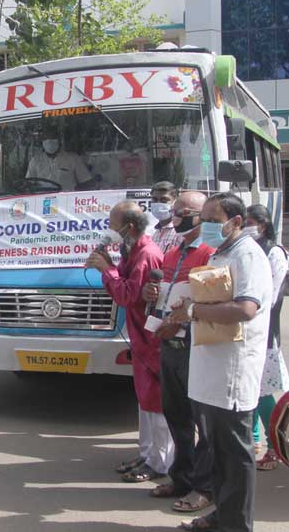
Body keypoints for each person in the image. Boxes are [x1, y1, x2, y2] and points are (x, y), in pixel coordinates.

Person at [168, 192, 272, 532]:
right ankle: (222, 516)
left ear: (236, 221)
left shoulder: (248, 256)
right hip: (209, 371)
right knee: (218, 453)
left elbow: (245, 309)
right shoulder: (221, 253)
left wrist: (194, 311)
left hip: (231, 373)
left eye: (212, 220)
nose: (206, 226)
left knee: (234, 455)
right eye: (204, 219)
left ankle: (236, 525)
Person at [86, 201, 173, 483]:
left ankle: (161, 462)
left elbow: (128, 295)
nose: (110, 231)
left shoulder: (146, 254)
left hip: (152, 338)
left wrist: (106, 271)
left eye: (113, 226)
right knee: (144, 399)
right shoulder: (131, 249)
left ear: (130, 228)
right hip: (139, 336)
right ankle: (147, 454)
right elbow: (124, 283)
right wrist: (109, 265)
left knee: (156, 403)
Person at [141, 192, 214, 513]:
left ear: (203, 216)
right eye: (174, 212)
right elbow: (161, 297)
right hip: (167, 346)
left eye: (183, 212)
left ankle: (204, 487)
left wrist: (180, 323)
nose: (177, 216)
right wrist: (149, 293)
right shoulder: (173, 252)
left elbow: (212, 303)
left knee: (205, 424)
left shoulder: (212, 254)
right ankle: (181, 477)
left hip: (196, 347)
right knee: (177, 417)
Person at [244, 204, 289, 472]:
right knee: (248, 390)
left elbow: (269, 298)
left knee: (261, 392)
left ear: (263, 224)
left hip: (264, 331)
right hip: (244, 332)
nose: (248, 226)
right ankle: (255, 441)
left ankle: (274, 446)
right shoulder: (247, 249)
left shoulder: (275, 252)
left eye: (252, 222)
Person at [27, 124, 94, 191]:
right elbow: (29, 184)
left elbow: (86, 181)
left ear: (59, 140)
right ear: (42, 141)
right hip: (41, 199)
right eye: (46, 138)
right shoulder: (35, 161)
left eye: (53, 138)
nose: (49, 141)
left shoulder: (73, 158)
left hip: (67, 199)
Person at [149, 181, 183, 254]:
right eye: (154, 199)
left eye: (163, 200)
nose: (158, 203)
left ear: (175, 202)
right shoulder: (154, 234)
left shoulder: (180, 233)